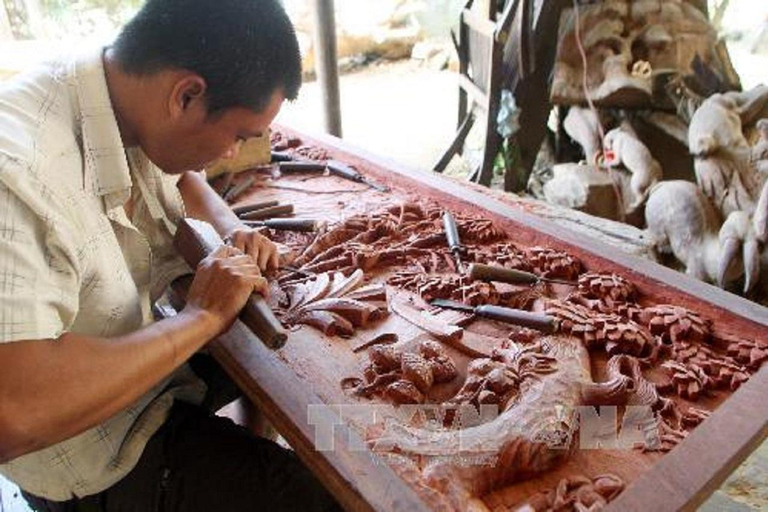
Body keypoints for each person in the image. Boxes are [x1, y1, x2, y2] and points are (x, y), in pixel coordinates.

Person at [0, 0, 341, 510]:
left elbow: (181, 173)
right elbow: (17, 413)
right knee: (322, 497)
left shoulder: (119, 88)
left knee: (291, 358)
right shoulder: (19, 177)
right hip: (91, 453)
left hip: (148, 369)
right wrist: (201, 317)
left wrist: (231, 229)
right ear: (187, 95)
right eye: (237, 137)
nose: (232, 155)